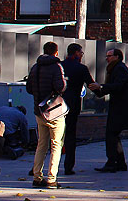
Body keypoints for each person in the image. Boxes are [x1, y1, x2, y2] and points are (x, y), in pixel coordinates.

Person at [26, 41, 68, 188]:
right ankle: (52, 178)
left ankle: (37, 176)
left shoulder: (36, 67)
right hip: (54, 112)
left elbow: (29, 89)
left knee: (41, 144)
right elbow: (60, 87)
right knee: (56, 144)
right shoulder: (57, 67)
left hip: (39, 111)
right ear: (56, 52)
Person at [90, 47, 128, 173]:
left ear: (117, 57)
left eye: (109, 56)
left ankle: (112, 163)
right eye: (107, 56)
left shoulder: (120, 69)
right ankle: (120, 163)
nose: (107, 58)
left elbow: (117, 86)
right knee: (114, 135)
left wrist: (101, 86)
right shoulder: (115, 68)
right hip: (119, 107)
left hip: (121, 108)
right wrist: (99, 89)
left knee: (111, 134)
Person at [60, 43, 95, 175]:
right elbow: (90, 84)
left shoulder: (60, 66)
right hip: (73, 105)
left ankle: (39, 165)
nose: (81, 55)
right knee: (70, 135)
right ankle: (68, 166)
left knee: (51, 136)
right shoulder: (81, 68)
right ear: (75, 53)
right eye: (81, 53)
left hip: (57, 105)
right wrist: (101, 90)